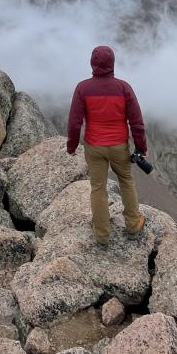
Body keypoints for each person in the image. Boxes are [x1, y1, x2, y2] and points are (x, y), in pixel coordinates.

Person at [66, 45, 147, 246]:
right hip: (119, 145)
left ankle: (102, 235)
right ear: (112, 63)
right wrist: (141, 148)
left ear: (92, 64)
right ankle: (133, 224)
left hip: (94, 146)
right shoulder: (124, 88)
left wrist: (72, 145)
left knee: (98, 188)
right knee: (126, 181)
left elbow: (75, 122)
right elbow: (136, 122)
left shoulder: (82, 88)